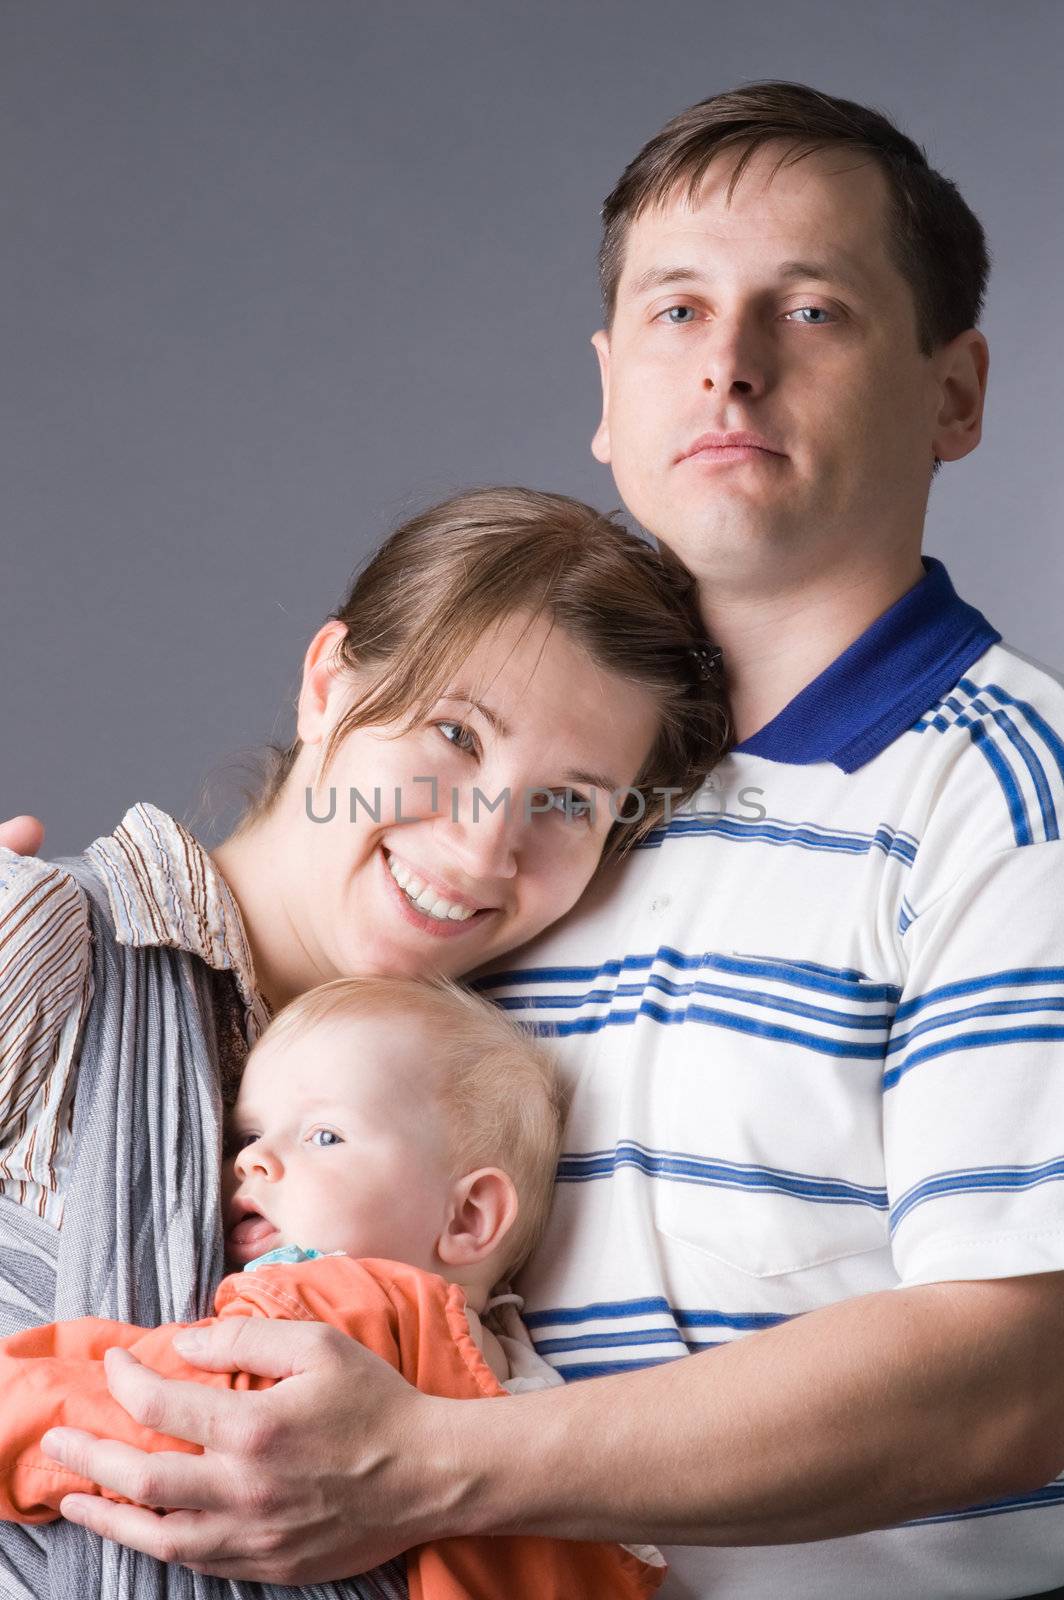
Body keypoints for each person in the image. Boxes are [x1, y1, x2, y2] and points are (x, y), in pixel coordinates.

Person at [6, 79, 1063, 1600]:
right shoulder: (575, 810)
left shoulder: (1006, 798)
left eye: (813, 310)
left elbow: (1014, 1375)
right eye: (676, 311)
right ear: (610, 382)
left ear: (955, 391)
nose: (731, 370)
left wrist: (432, 1464)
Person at [0, 485, 727, 1600]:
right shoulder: (53, 936)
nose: (484, 850)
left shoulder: (482, 1104)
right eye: (454, 733)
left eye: (568, 803)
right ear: (328, 679)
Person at [0, 974, 666, 1599]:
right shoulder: (528, 1400)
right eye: (250, 1133)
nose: (249, 1159)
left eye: (325, 1135)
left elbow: (150, 1414)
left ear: (466, 1217)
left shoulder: (350, 1303)